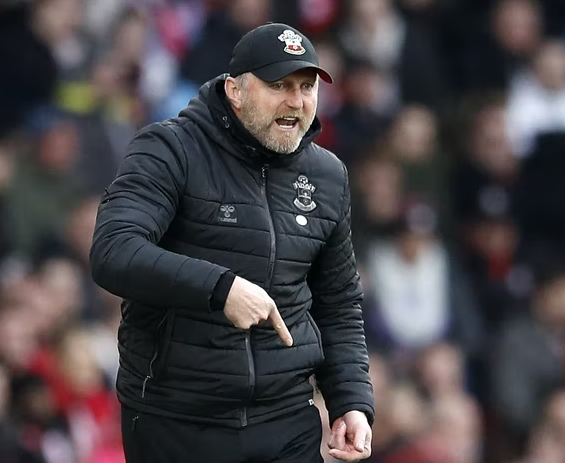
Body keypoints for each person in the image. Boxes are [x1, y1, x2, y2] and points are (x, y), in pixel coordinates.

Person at [89, 23, 374, 463]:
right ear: (234, 91)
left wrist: (350, 400)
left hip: (287, 417)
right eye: (278, 85)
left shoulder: (327, 175)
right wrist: (220, 289)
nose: (296, 101)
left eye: (306, 86)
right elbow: (114, 251)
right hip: (177, 419)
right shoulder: (169, 149)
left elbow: (337, 302)